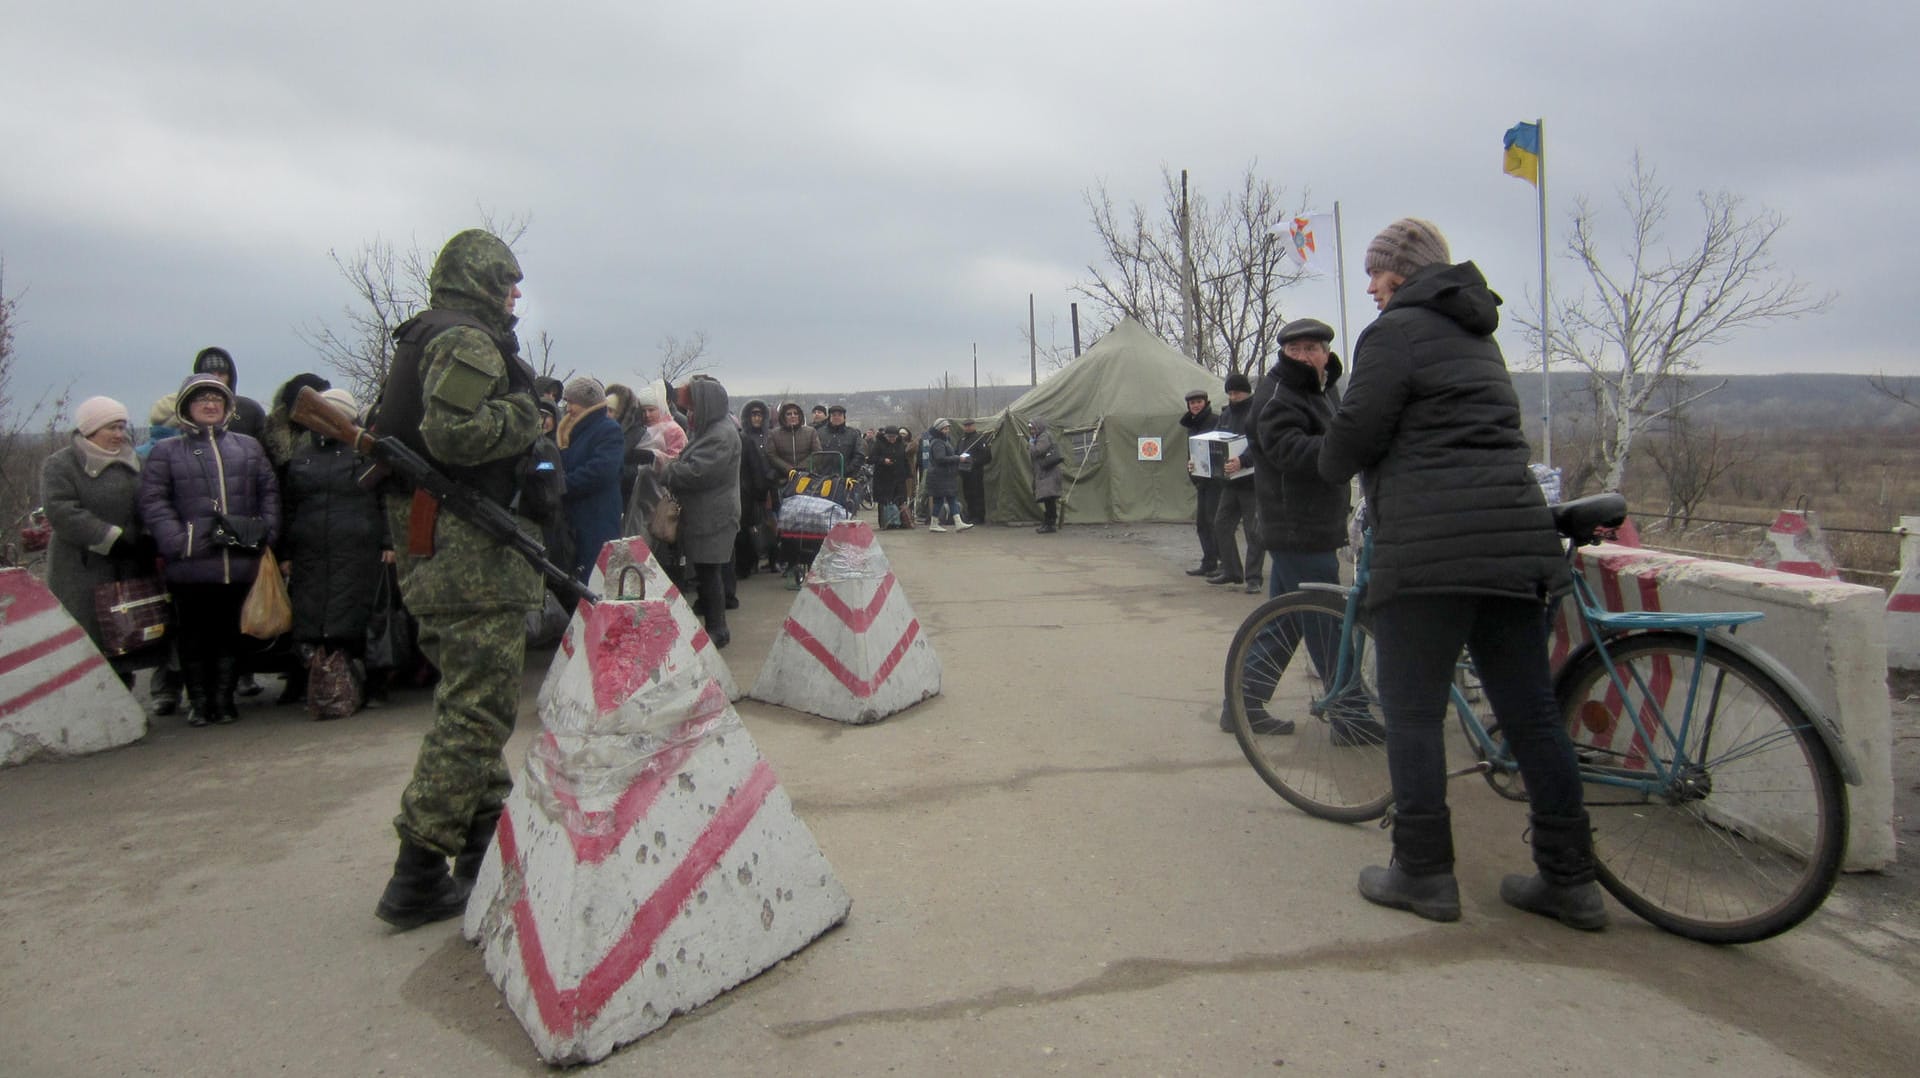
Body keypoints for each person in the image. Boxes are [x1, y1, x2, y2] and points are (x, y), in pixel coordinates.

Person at [1318, 217, 1605, 930]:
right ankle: (1570, 880)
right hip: (1512, 544)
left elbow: (1355, 433)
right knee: (1533, 716)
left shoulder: (1392, 333)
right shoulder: (1478, 333)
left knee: (1413, 714)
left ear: (1400, 273)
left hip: (1431, 555)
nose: (1370, 287)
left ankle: (1423, 873)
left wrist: (1327, 461)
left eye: (1376, 274)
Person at [372, 227, 544, 930]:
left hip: (431, 546)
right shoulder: (468, 341)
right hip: (467, 553)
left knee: (470, 702)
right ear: (481, 281)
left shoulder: (423, 338)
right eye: (507, 280)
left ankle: (481, 847)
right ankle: (417, 870)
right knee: (477, 710)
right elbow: (456, 435)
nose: (515, 294)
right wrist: (532, 414)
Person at [1222, 318, 1382, 740]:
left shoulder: (1323, 389)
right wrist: (1343, 449)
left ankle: (1242, 702)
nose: (1305, 356)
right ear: (1285, 354)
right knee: (1327, 621)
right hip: (1295, 527)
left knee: (1288, 620)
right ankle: (1351, 717)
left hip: (1313, 524)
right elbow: (1286, 449)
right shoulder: (1278, 396)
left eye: (1313, 348)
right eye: (1297, 350)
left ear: (1326, 353)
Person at [137, 374, 280, 726]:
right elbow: (153, 501)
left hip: (239, 559)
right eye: (201, 398)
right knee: (193, 635)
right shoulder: (166, 451)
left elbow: (270, 493)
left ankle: (225, 698)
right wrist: (178, 540)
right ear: (187, 406)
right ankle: (199, 702)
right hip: (191, 563)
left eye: (216, 398)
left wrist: (266, 534)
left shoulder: (248, 447)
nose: (210, 404)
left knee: (232, 632)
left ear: (227, 405)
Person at [280, 387, 386, 713]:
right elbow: (289, 504)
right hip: (311, 548)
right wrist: (285, 551)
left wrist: (388, 543)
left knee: (355, 618)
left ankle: (364, 686)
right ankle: (322, 687)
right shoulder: (300, 455)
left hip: (357, 547)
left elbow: (384, 501)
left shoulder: (365, 451)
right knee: (313, 620)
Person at [41, 396, 152, 688]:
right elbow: (61, 510)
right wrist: (109, 538)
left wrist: (146, 537)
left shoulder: (137, 462)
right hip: (82, 568)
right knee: (90, 641)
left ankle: (124, 703)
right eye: (111, 428)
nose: (118, 435)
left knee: (125, 637)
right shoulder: (61, 465)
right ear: (90, 430)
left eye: (122, 427)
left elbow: (151, 501)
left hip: (128, 564)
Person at [658, 378, 741, 648]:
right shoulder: (712, 430)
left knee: (709, 573)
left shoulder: (719, 434)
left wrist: (666, 468)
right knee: (707, 573)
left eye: (692, 407)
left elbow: (697, 473)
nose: (689, 413)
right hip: (707, 514)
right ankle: (715, 626)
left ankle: (718, 628)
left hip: (713, 516)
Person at [556, 377, 626, 581]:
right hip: (571, 520)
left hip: (596, 519)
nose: (568, 408)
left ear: (586, 404)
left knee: (593, 580)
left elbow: (601, 471)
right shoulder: (567, 432)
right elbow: (552, 464)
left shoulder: (608, 430)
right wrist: (546, 474)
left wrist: (561, 484)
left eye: (572, 402)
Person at [1208, 372, 1264, 592]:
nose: (1233, 397)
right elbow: (1216, 439)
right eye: (1230, 393)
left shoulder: (1256, 413)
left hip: (1251, 480)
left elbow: (1258, 442)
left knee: (1254, 531)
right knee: (1221, 524)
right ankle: (1231, 570)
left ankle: (1254, 578)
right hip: (1231, 481)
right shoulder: (1226, 415)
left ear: (1246, 392)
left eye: (1237, 392)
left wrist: (1242, 461)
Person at [1178, 390, 1220, 578]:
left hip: (1216, 480)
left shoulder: (1215, 421)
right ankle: (1209, 561)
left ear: (1206, 402)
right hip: (1200, 480)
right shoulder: (1192, 425)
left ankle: (1223, 562)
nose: (1195, 405)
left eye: (1199, 402)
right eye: (1192, 403)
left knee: (1216, 522)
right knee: (1202, 523)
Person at [189, 347, 267, 440]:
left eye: (221, 374)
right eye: (210, 374)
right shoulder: (186, 411)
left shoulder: (251, 410)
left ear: (230, 377)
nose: (216, 378)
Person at [923, 419, 970, 531]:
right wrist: (959, 458)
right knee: (948, 499)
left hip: (943, 476)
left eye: (948, 428)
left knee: (945, 499)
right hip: (940, 476)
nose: (947, 430)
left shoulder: (942, 441)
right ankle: (954, 523)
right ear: (939, 429)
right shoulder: (938, 442)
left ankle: (940, 523)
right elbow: (940, 459)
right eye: (945, 428)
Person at [870, 426, 911, 528]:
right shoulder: (878, 444)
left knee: (900, 499)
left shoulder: (901, 444)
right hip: (883, 477)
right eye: (889, 437)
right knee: (884, 501)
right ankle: (885, 523)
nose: (892, 439)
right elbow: (871, 458)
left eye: (894, 437)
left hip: (899, 476)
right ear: (885, 436)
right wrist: (883, 460)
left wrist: (908, 473)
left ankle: (900, 522)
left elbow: (905, 459)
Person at [1028, 420, 1064, 533]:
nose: (1032, 431)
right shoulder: (1042, 436)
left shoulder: (1043, 437)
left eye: (1033, 429)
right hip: (1045, 473)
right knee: (1048, 499)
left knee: (1049, 499)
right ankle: (1048, 522)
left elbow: (1037, 451)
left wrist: (1031, 444)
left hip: (1048, 473)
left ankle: (1050, 523)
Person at [956, 418, 992, 525]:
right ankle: (970, 515)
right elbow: (957, 452)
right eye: (966, 426)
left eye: (970, 425)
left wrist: (974, 461)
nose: (967, 427)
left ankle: (979, 516)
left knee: (977, 494)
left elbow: (987, 456)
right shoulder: (961, 439)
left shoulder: (979, 439)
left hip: (975, 471)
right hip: (964, 471)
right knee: (967, 494)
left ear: (974, 426)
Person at [816, 404, 863, 480]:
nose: (836, 417)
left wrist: (848, 471)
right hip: (822, 477)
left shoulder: (853, 434)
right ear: (830, 418)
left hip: (845, 478)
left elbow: (859, 455)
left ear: (844, 418)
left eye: (840, 415)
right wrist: (818, 470)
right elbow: (814, 453)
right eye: (834, 415)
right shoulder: (819, 433)